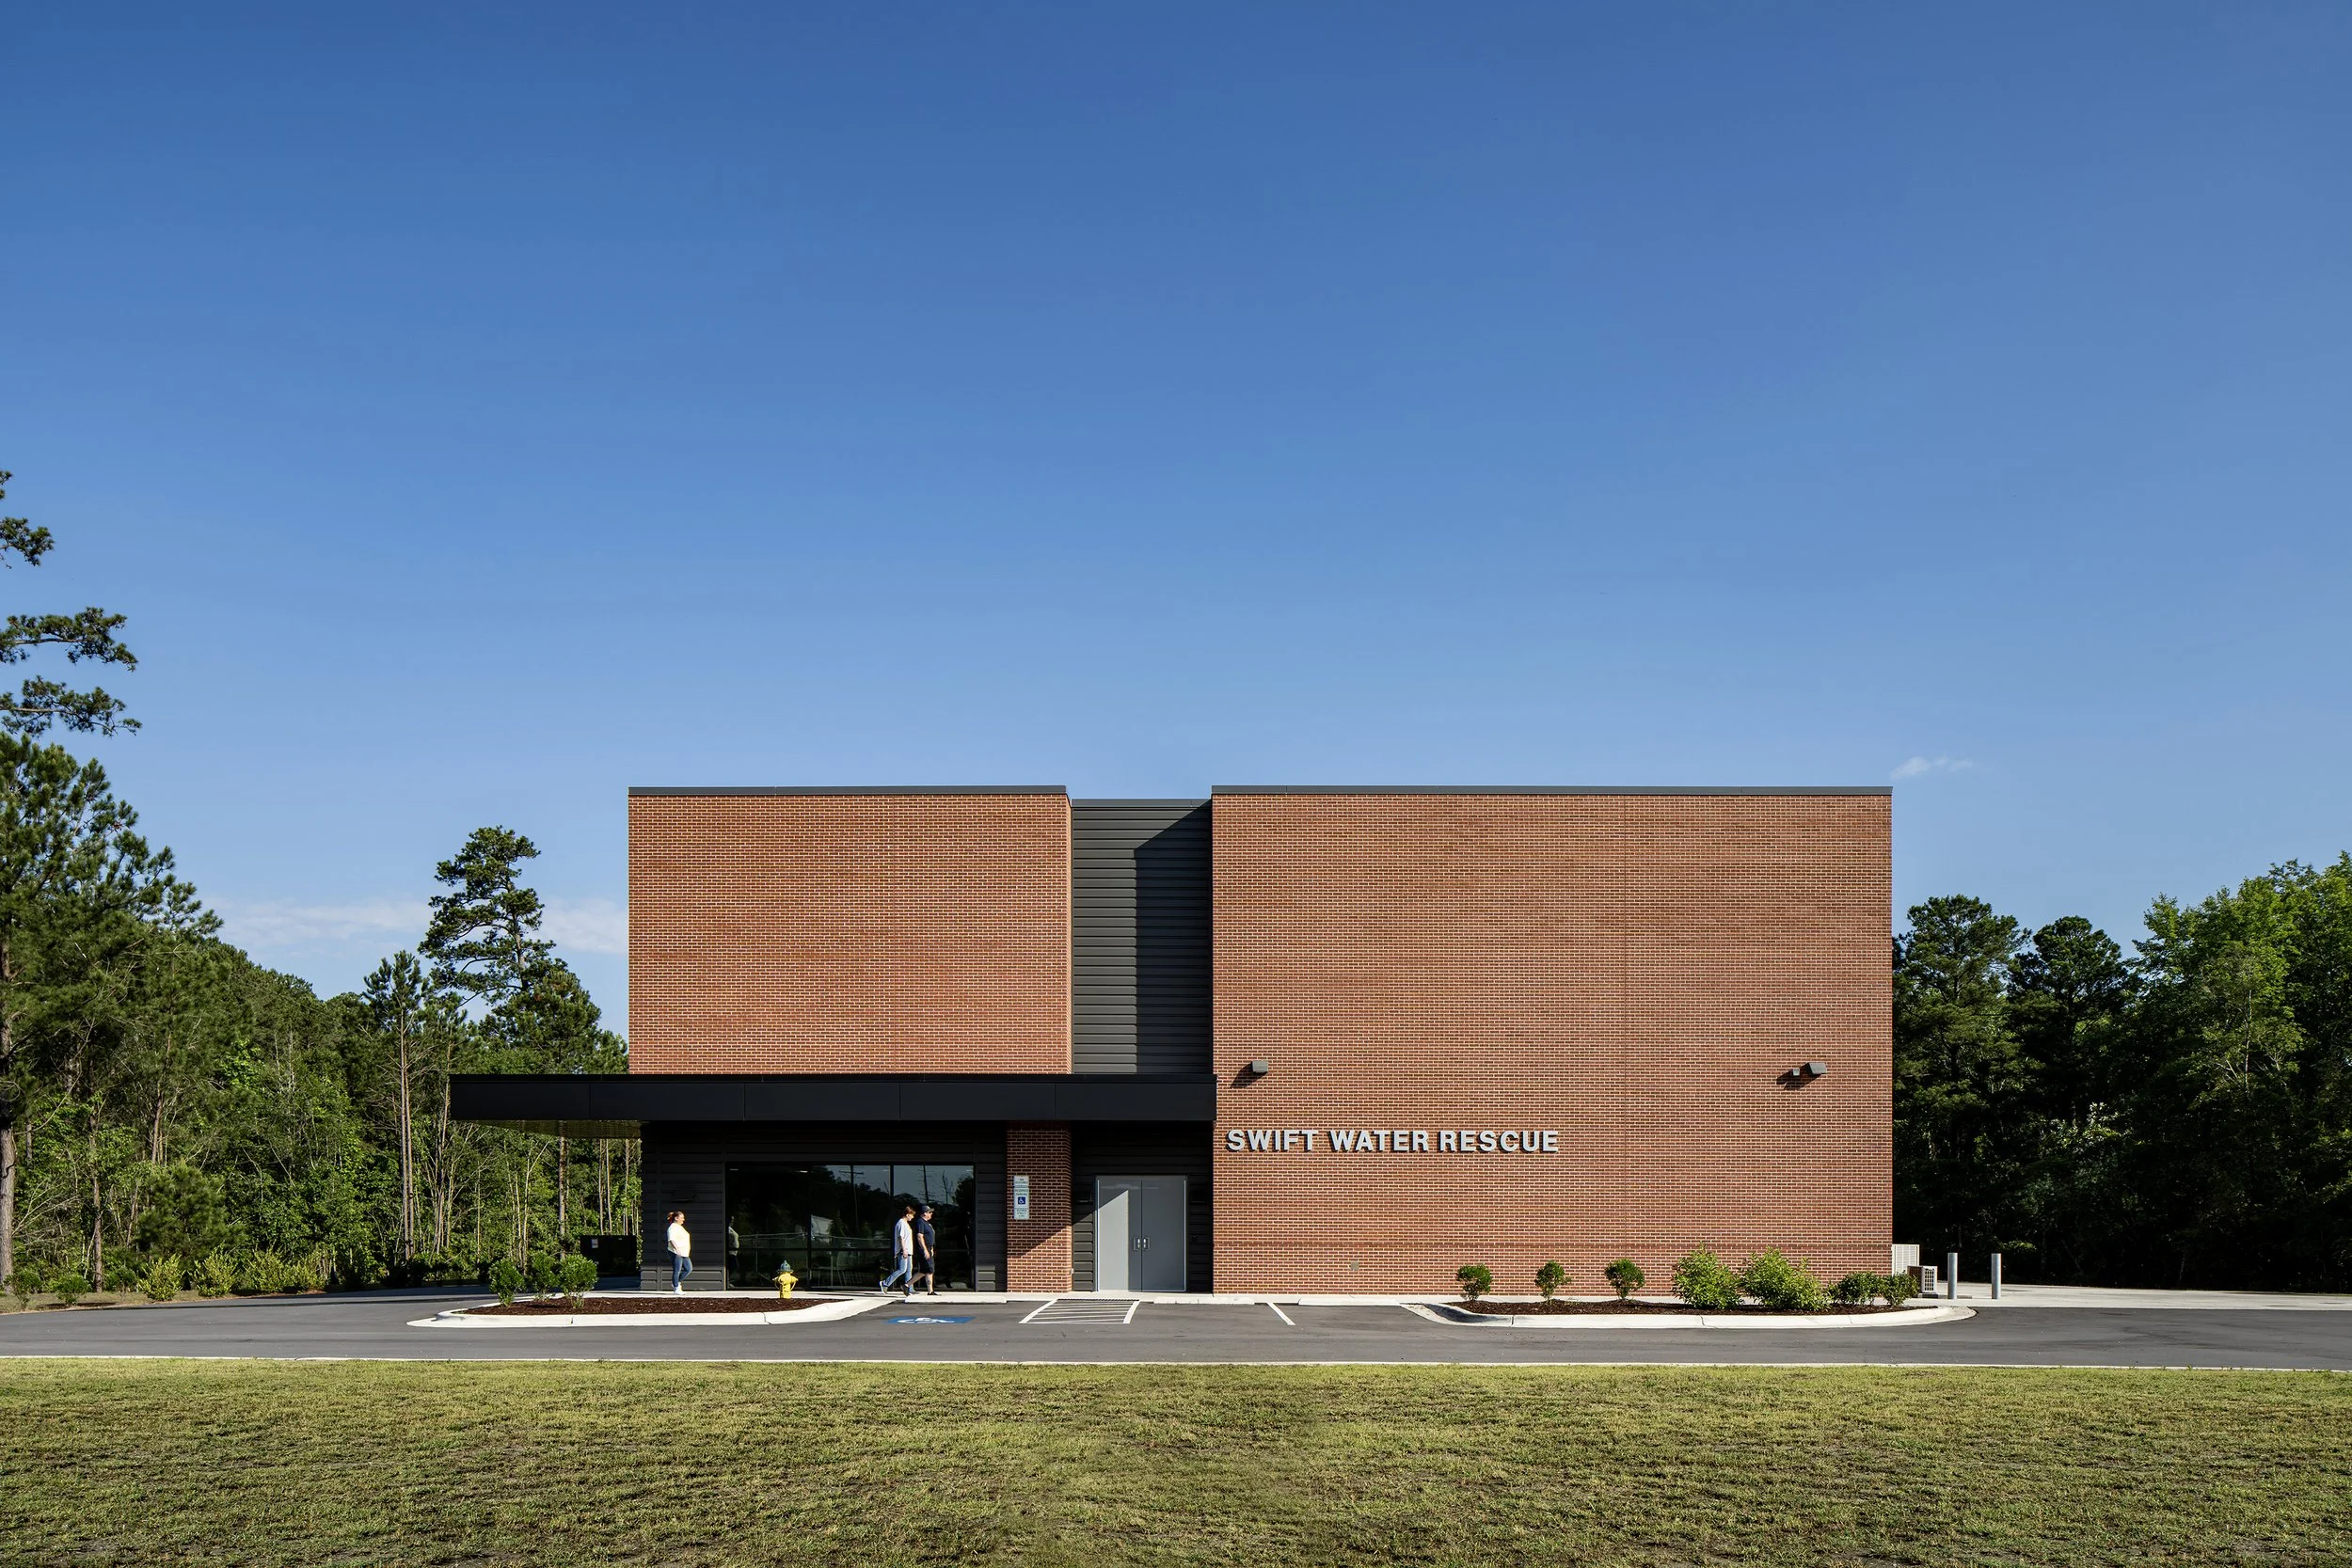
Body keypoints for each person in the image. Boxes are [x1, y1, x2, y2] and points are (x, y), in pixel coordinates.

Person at [878, 1203, 916, 1297]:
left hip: (908, 1250)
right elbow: (901, 1237)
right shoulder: (901, 1223)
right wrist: (904, 1250)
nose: (912, 1217)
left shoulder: (906, 1224)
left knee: (908, 1270)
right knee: (902, 1269)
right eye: (912, 1215)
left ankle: (909, 1288)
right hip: (904, 1250)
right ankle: (885, 1283)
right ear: (907, 1214)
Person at [912, 1204, 939, 1296]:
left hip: (929, 1248)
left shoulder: (927, 1223)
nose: (931, 1214)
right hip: (925, 1249)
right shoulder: (920, 1222)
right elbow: (920, 1236)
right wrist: (925, 1250)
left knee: (924, 1271)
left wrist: (931, 1248)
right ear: (924, 1213)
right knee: (930, 1269)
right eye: (929, 1212)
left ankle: (906, 1285)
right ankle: (930, 1291)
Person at [665, 1211, 692, 1293]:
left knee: (688, 1269)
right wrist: (677, 1249)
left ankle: (676, 1282)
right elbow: (671, 1239)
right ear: (676, 1218)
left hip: (684, 1252)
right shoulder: (672, 1227)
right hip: (676, 1252)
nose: (683, 1219)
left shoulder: (679, 1227)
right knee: (677, 1270)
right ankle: (676, 1288)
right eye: (682, 1218)